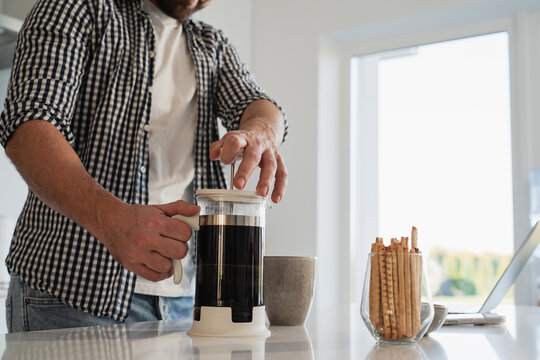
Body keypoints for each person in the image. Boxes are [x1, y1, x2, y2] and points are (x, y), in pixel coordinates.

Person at [0, 0, 287, 332]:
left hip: (184, 302)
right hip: (69, 295)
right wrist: (112, 221)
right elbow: (29, 124)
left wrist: (260, 132)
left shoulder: (213, 45)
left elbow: (260, 104)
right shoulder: (76, 7)